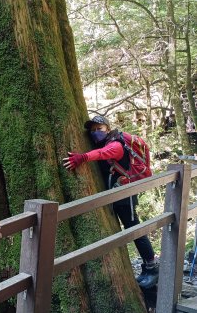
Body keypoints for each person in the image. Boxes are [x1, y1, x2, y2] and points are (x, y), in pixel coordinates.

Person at [63, 115, 159, 289]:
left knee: (134, 227)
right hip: (116, 193)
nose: (95, 133)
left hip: (126, 193)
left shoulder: (115, 144)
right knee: (129, 227)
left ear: (107, 128)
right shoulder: (104, 142)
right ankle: (146, 268)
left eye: (99, 129)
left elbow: (103, 154)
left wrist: (82, 157)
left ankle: (152, 268)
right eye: (92, 130)